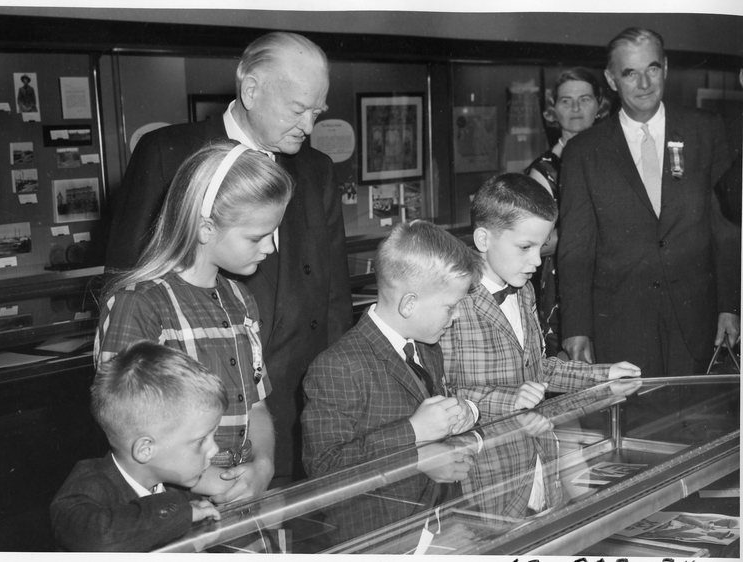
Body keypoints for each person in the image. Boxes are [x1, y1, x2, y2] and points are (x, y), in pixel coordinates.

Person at [104, 32, 352, 483]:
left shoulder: (316, 170)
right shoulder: (167, 153)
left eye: (317, 113)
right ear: (251, 90)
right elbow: (127, 281)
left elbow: (333, 299)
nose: (308, 126)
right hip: (194, 432)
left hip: (295, 411)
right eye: (298, 109)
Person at [96, 141, 294, 506]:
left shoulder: (241, 299)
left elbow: (255, 406)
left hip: (237, 495)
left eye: (273, 233)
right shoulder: (140, 304)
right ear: (205, 229)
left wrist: (263, 465)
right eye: (256, 237)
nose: (270, 248)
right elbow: (128, 432)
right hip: (173, 506)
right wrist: (215, 483)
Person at [440, 173, 642, 518]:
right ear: (483, 239)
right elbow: (442, 392)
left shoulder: (524, 290)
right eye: (525, 247)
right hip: (486, 476)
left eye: (542, 246)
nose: (537, 260)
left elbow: (538, 369)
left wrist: (603, 375)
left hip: (539, 464)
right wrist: (510, 399)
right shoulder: (453, 300)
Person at [558, 27, 740, 377]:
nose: (644, 83)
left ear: (665, 68)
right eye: (630, 73)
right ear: (611, 79)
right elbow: (575, 248)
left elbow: (726, 229)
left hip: (699, 323)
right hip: (621, 324)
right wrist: (576, 327)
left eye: (652, 69)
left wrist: (730, 305)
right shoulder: (584, 151)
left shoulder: (705, 130)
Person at [302, 220, 481, 540]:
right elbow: (325, 471)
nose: (456, 317)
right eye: (450, 307)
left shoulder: (427, 349)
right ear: (409, 304)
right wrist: (414, 434)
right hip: (379, 539)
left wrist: (463, 412)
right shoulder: (338, 366)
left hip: (439, 527)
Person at [50, 342, 226, 551]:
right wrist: (180, 513)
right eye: (201, 440)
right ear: (145, 450)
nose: (214, 449)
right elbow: (96, 538)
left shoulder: (177, 486)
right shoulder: (86, 487)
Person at [525, 67, 605, 357]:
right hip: (564, 283)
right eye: (566, 101)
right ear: (553, 110)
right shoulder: (544, 170)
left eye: (585, 99)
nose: (575, 108)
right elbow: (537, 243)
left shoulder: (611, 158)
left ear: (599, 106)